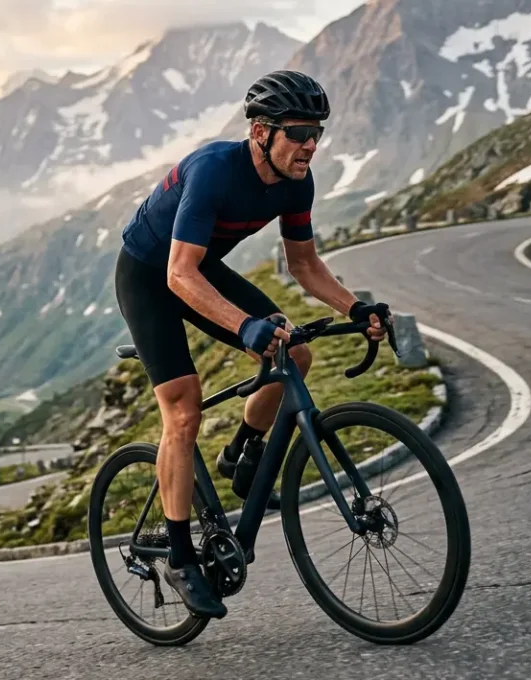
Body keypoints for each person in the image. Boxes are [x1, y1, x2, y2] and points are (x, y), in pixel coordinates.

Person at [113, 70, 391, 618]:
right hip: (150, 274)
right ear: (261, 132)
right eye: (298, 132)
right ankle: (178, 553)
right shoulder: (214, 170)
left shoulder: (297, 182)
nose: (311, 145)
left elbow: (304, 263)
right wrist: (244, 326)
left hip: (199, 268)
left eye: (317, 133)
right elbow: (178, 275)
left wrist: (355, 308)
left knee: (296, 354)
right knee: (183, 410)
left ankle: (243, 445)